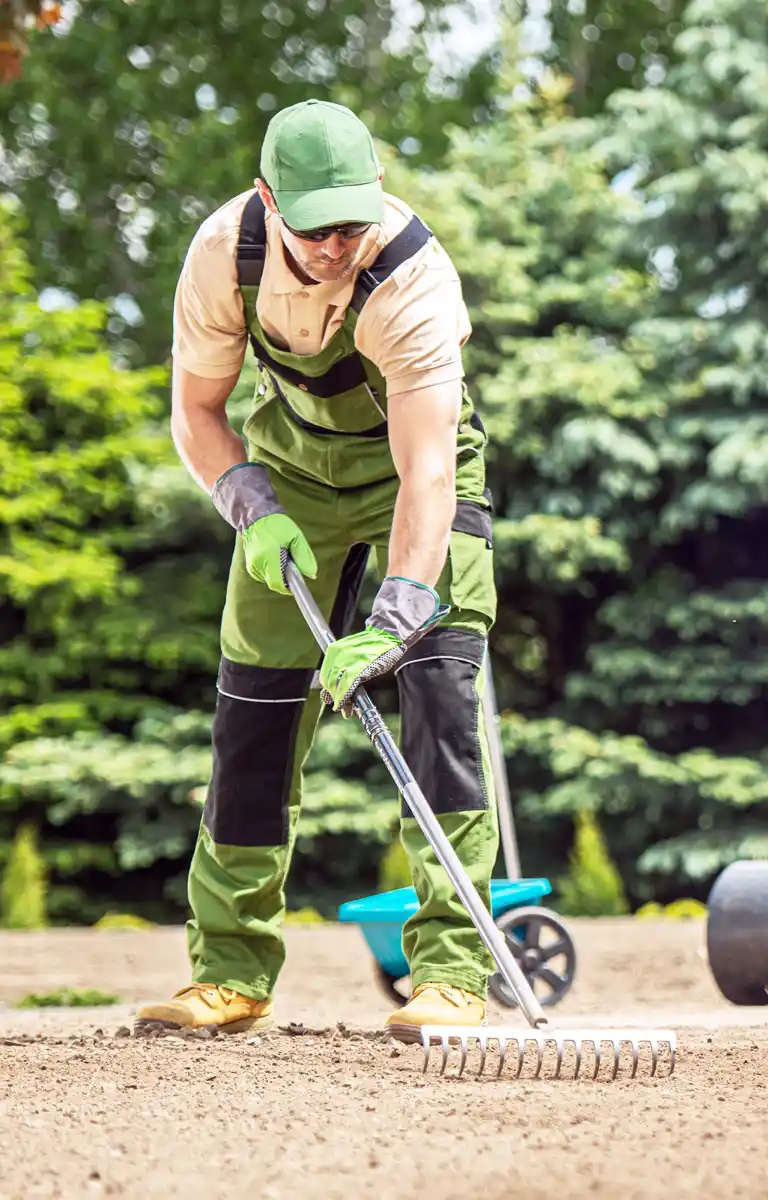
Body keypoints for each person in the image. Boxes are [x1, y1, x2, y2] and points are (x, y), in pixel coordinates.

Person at [134, 99, 500, 1040]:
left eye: (353, 221)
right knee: (252, 714)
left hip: (417, 478)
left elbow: (425, 470)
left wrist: (400, 610)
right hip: (290, 474)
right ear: (268, 199)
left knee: (439, 703)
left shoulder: (410, 275)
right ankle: (231, 974)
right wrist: (249, 507)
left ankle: (453, 974)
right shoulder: (224, 255)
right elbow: (197, 413)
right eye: (316, 227)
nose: (338, 245)